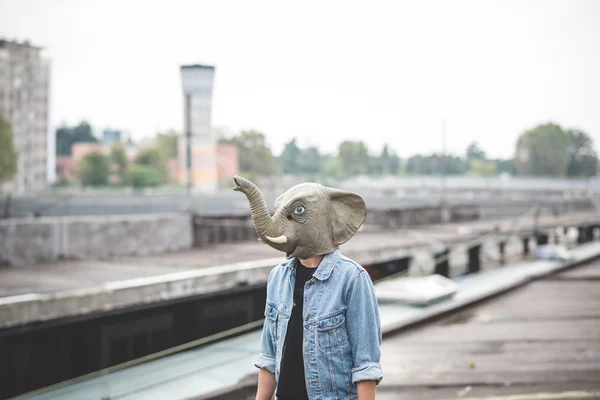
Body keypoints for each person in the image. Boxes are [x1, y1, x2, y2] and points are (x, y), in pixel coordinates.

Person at [232, 175, 382, 400]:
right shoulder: (278, 278)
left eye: (297, 214)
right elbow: (269, 357)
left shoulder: (352, 279)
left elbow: (366, 366)